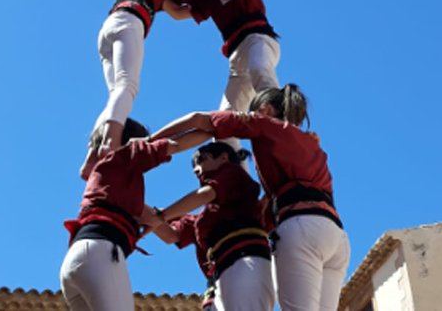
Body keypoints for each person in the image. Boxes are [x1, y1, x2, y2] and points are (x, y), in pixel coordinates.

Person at [147, 85, 350, 311]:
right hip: (335, 235)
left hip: (299, 227)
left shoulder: (264, 125)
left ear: (264, 110)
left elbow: (198, 120)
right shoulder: (311, 144)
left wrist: (148, 143)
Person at [82, 0, 217, 179]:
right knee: (127, 87)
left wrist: (214, 5)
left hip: (110, 27)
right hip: (130, 21)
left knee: (116, 94)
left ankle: (91, 156)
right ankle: (109, 144)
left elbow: (177, 12)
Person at [60, 118, 209, 311]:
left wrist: (162, 217)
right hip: (101, 252)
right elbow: (174, 145)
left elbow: (169, 234)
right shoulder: (124, 156)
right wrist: (214, 130)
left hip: (76, 259)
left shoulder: (114, 188)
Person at [163, 0, 279, 159]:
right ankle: (236, 177)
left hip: (257, 39)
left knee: (260, 69)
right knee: (223, 125)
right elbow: (177, 12)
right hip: (236, 59)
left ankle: (283, 122)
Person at [142, 142, 275, 311]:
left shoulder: (233, 174)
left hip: (245, 262)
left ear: (224, 158)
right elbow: (172, 235)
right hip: (219, 282)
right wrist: (138, 207)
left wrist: (162, 215)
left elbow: (206, 194)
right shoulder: (203, 221)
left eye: (201, 160)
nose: (196, 169)